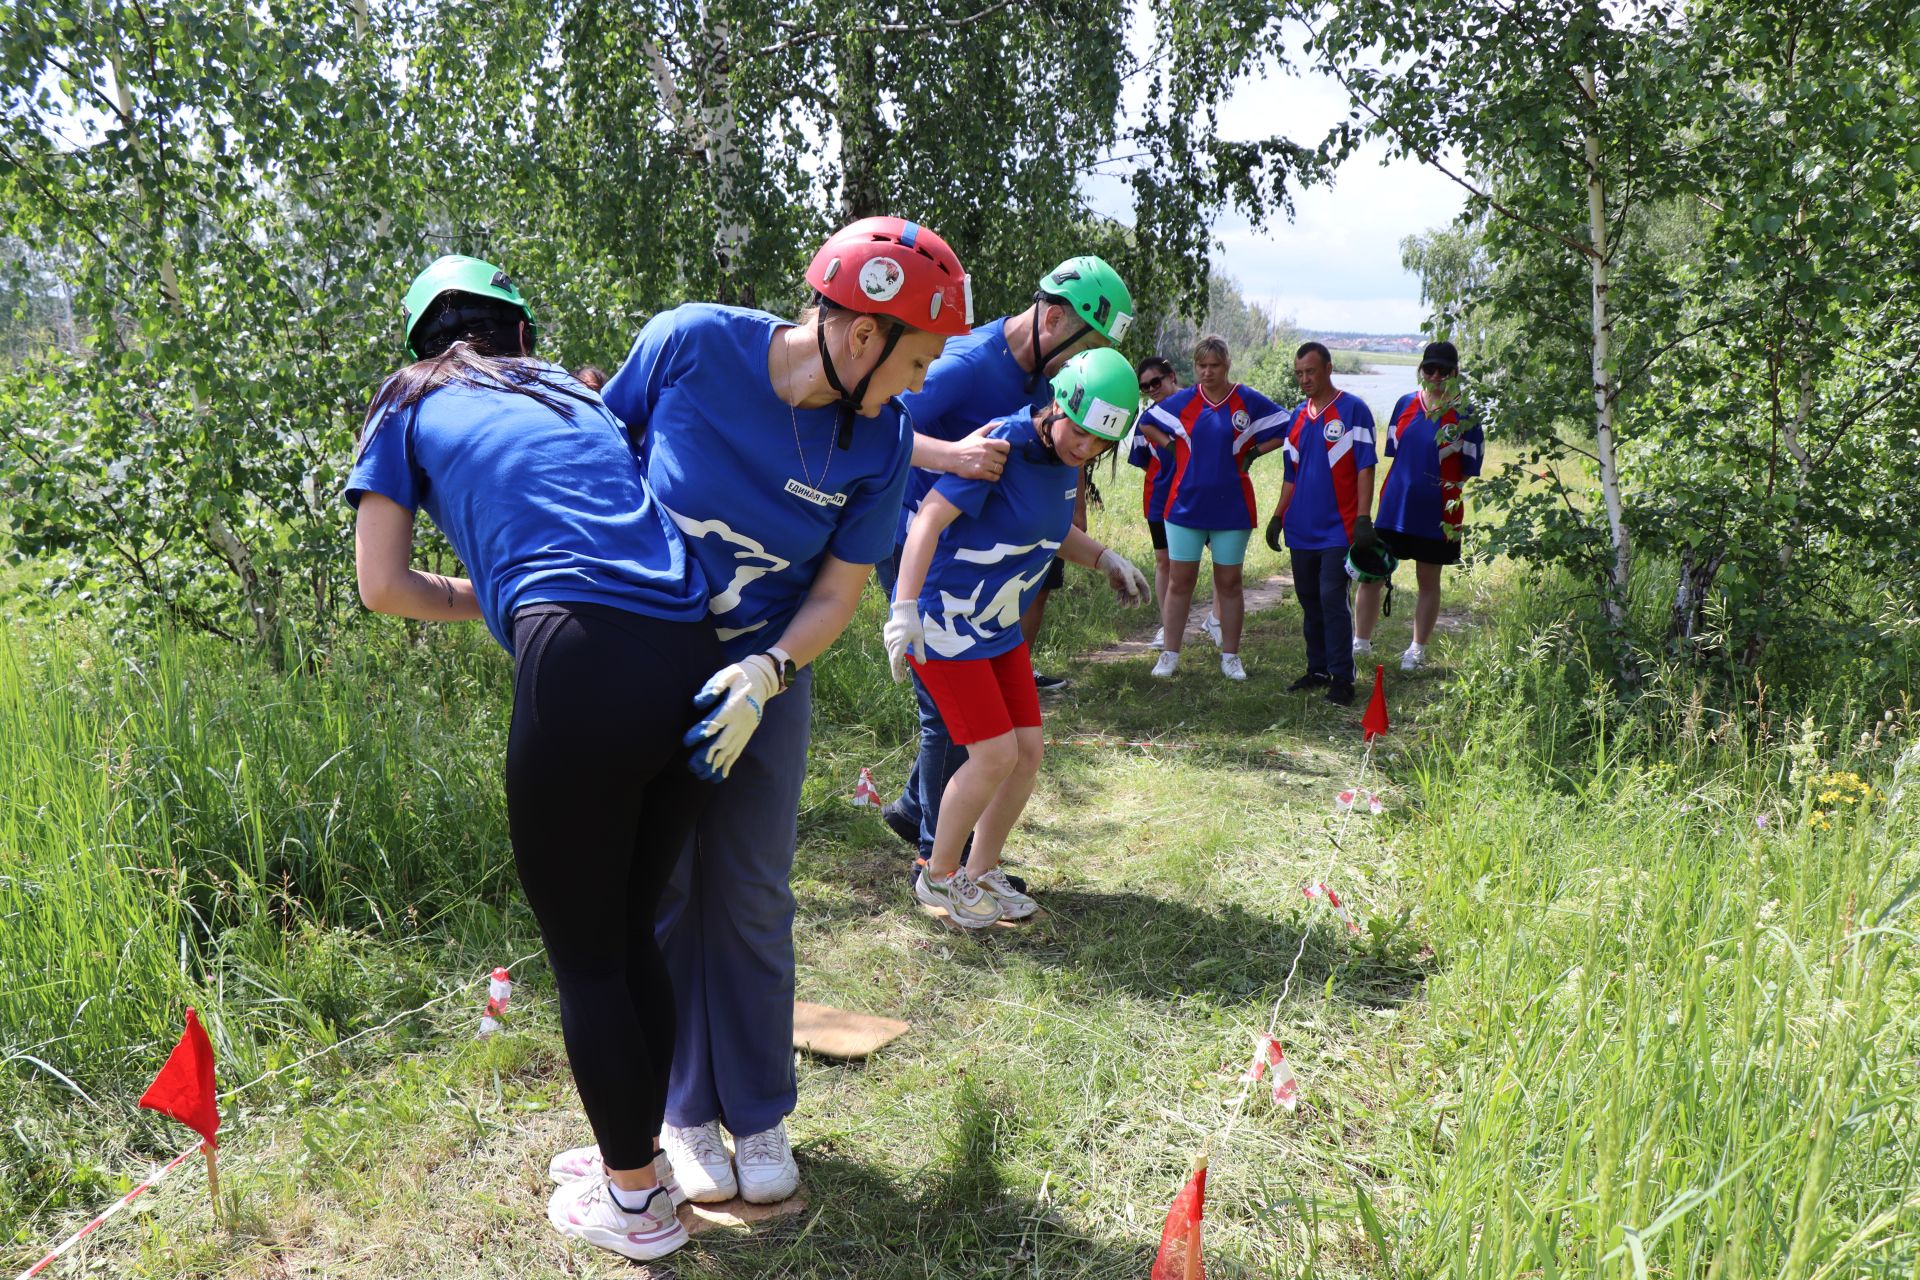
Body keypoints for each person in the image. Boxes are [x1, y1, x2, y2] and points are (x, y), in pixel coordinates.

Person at [597, 216, 972, 1209]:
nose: (923, 383)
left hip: (768, 672)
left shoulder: (882, 438)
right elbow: (596, 464)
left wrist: (766, 669)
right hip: (647, 663)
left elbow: (838, 589)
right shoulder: (689, 343)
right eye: (920, 357)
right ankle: (681, 1110)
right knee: (667, 889)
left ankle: (759, 1108)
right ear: (861, 337)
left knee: (755, 892)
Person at [348, 256, 717, 1263]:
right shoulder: (570, 387)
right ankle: (634, 1158)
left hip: (583, 651)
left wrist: (485, 598)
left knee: (586, 954)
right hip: (701, 649)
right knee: (631, 925)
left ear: (424, 336)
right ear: (518, 328)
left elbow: (380, 583)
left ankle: (637, 1205)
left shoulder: (409, 397)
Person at [876, 255, 1135, 879]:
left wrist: (1091, 549)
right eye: (1089, 343)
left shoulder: (1052, 383)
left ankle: (923, 814)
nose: (1085, 362)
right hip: (918, 541)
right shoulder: (965, 365)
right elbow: (876, 425)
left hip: (977, 557)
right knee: (953, 717)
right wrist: (955, 456)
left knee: (977, 724)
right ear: (1052, 317)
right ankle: (942, 858)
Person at [1138, 335, 1288, 681]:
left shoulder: (1246, 399)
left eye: (1214, 365)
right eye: (1201, 366)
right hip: (1184, 507)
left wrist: (1254, 452)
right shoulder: (1184, 401)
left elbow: (1288, 424)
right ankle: (1169, 654)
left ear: (1227, 365)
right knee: (1180, 581)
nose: (1207, 372)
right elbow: (1147, 422)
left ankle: (1231, 657)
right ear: (1195, 367)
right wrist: (1170, 447)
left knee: (1230, 582)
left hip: (1232, 509)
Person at [1354, 341, 1483, 671]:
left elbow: (1468, 471)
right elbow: (1395, 454)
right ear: (1421, 370)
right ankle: (1361, 643)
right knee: (1371, 574)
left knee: (1428, 580)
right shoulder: (1404, 405)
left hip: (1439, 515)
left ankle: (1416, 650)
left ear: (1455, 374)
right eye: (1430, 369)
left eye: (1444, 370)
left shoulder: (1467, 415)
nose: (1436, 376)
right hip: (1394, 508)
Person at [1263, 341, 1378, 706]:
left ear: (1329, 368)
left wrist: (1363, 518)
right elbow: (1290, 475)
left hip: (1339, 528)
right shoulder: (1297, 416)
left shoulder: (1353, 410)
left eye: (1310, 371)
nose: (1304, 379)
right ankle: (1317, 669)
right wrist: (1278, 516)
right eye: (1299, 373)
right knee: (1309, 599)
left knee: (1332, 597)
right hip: (1301, 528)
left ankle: (1343, 677)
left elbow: (1365, 466)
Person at [1127, 355, 1181, 647]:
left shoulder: (1194, 410)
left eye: (1156, 382)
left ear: (1172, 376)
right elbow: (1145, 462)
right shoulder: (1145, 422)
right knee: (1164, 562)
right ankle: (1168, 625)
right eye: (1145, 387)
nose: (1151, 390)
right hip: (1158, 500)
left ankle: (1218, 619)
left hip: (1195, 497)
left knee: (1210, 562)